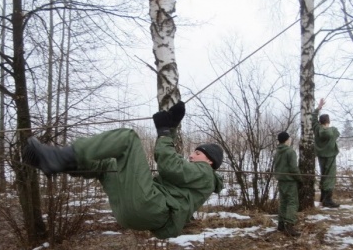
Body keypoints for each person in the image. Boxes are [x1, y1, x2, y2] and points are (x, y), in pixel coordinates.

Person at [22, 101, 224, 239]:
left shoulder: (206, 173)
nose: (191, 155)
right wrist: (171, 127)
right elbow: (173, 172)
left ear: (210, 161)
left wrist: (164, 134)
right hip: (138, 214)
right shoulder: (199, 178)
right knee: (109, 166)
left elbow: (169, 167)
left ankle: (59, 158)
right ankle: (59, 163)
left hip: (152, 208)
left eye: (197, 153)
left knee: (128, 139)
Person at [311, 98, 340, 208]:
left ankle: (323, 198)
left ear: (320, 122)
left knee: (324, 175)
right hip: (330, 156)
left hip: (320, 156)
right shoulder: (332, 131)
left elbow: (313, 119)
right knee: (330, 177)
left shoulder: (317, 128)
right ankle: (327, 200)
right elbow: (337, 133)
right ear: (328, 121)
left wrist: (318, 108)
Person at [273, 131, 301, 237]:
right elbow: (294, 168)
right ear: (286, 140)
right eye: (289, 139)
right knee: (292, 203)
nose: (290, 140)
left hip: (281, 181)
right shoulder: (290, 152)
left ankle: (281, 224)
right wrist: (299, 179)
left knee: (283, 202)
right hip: (290, 181)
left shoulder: (277, 152)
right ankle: (289, 226)